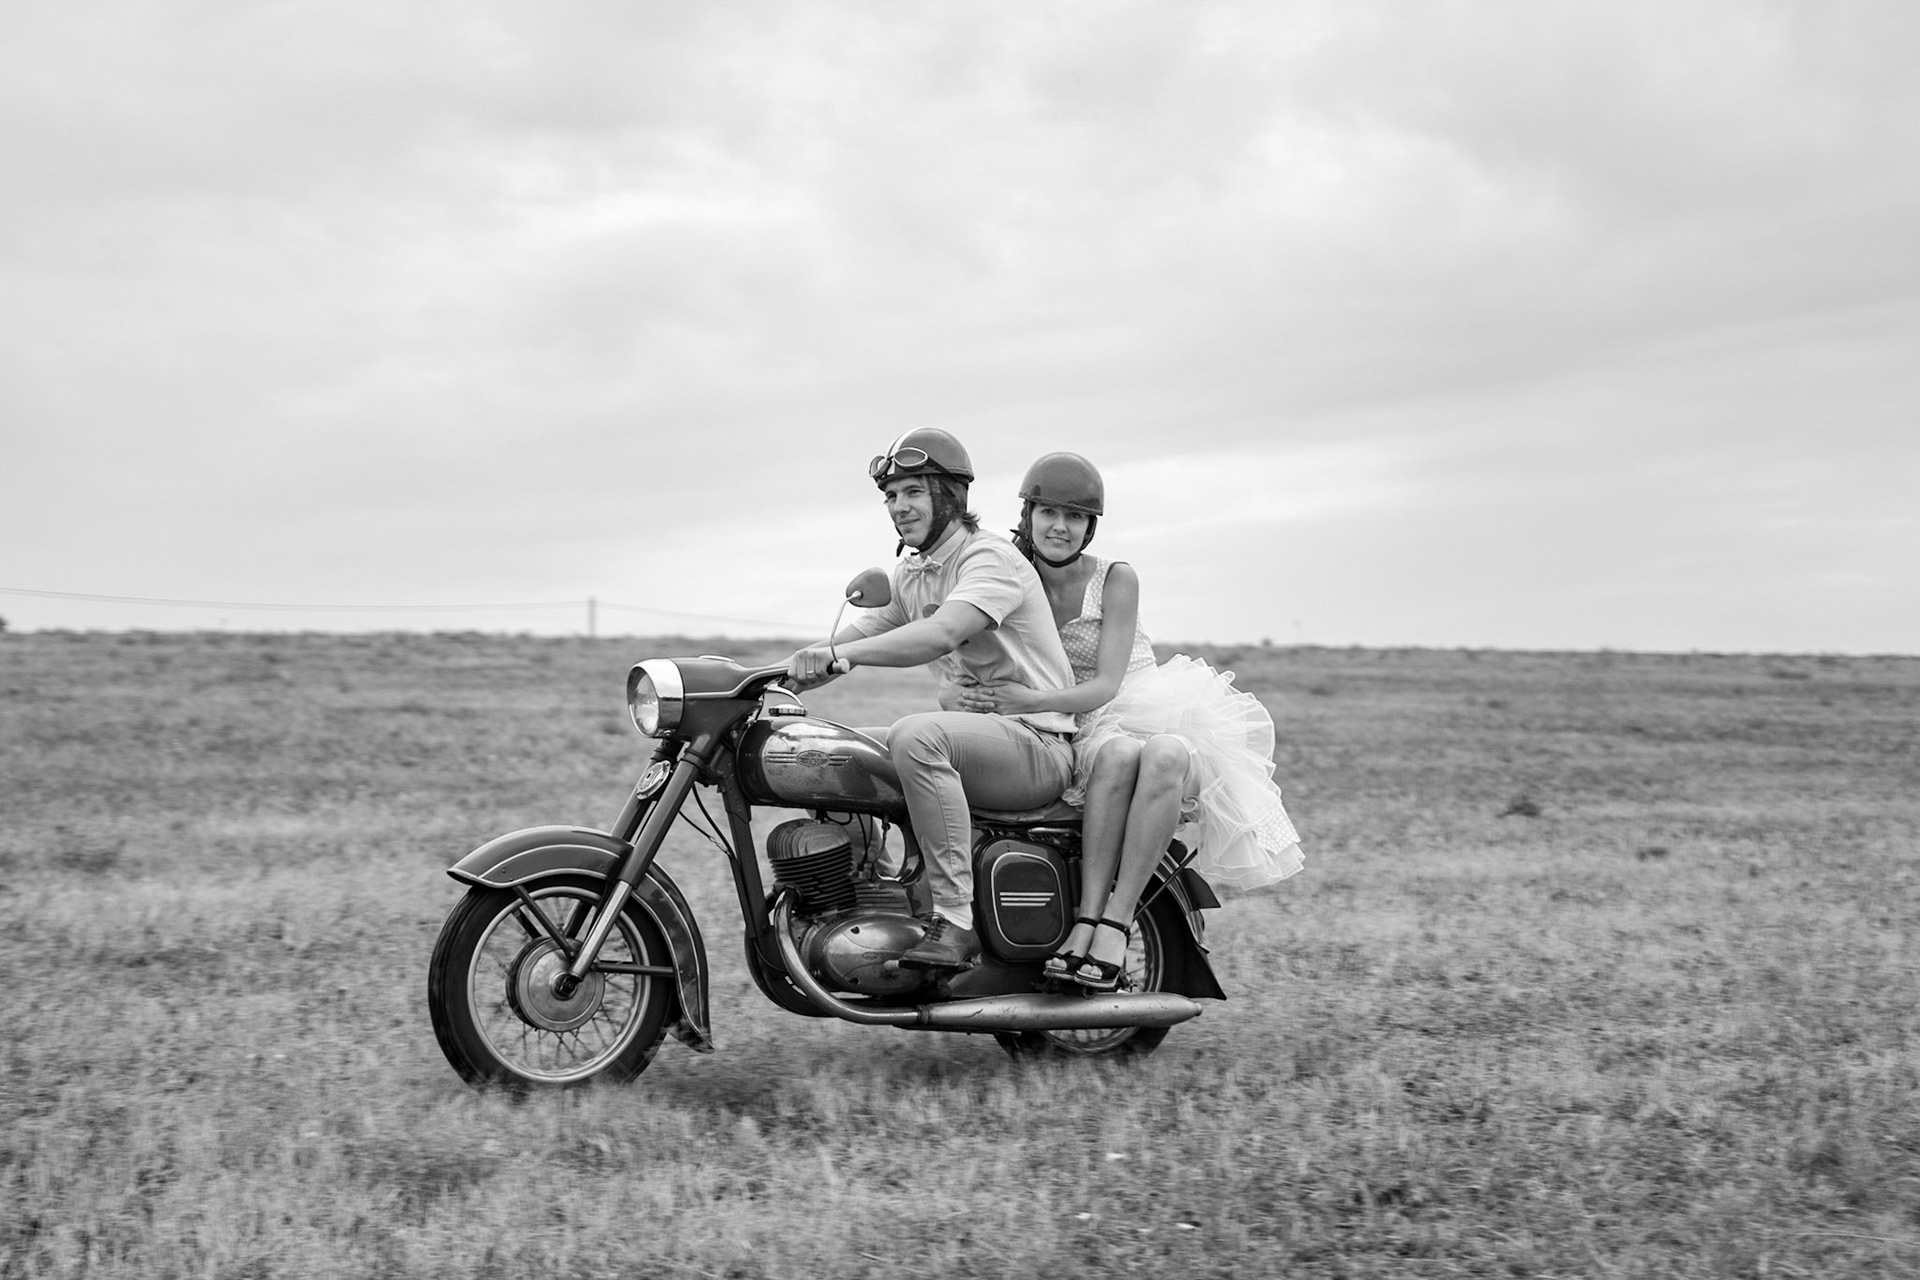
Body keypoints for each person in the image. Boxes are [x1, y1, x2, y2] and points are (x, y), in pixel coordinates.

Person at [946, 452, 1303, 990]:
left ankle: (1116, 922)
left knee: (1167, 753)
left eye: (1075, 516)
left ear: (1090, 526)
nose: (1060, 527)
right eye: (1048, 512)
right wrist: (962, 692)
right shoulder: (1011, 577)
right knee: (1115, 753)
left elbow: (1107, 685)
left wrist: (1026, 700)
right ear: (1028, 515)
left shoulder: (1115, 577)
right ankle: (1086, 918)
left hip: (1137, 702)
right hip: (1082, 723)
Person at [784, 428, 1079, 970]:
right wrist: (782, 676)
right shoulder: (912, 573)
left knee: (916, 735)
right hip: (984, 741)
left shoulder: (987, 558)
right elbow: (852, 640)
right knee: (824, 751)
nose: (899, 507)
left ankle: (956, 917)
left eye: (914, 492)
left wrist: (842, 655)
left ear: (951, 496)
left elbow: (941, 634)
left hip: (1038, 745)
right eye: (891, 496)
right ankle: (863, 893)